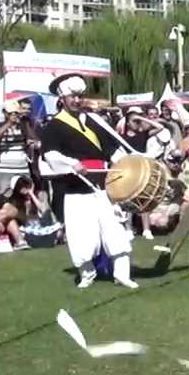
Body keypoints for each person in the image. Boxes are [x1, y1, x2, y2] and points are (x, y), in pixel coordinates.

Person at [39, 73, 136, 289]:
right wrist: (71, 163)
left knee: (115, 230)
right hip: (75, 188)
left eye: (79, 96)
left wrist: (125, 165)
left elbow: (111, 149)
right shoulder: (54, 126)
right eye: (72, 96)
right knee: (82, 236)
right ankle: (87, 274)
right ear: (62, 99)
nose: (76, 100)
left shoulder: (93, 120)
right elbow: (49, 155)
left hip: (103, 186)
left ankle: (122, 274)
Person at [0, 100, 39, 192]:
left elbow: (33, 138)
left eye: (16, 113)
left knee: (25, 196)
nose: (13, 115)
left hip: (22, 168)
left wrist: (24, 122)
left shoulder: (23, 126)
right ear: (4, 113)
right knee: (3, 197)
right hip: (4, 170)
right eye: (10, 113)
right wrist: (9, 123)